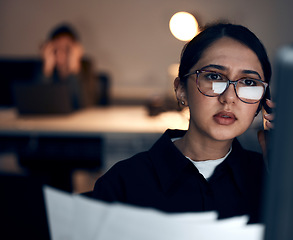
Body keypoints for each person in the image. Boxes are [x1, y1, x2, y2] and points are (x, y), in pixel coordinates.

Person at [91, 23, 275, 223]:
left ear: (262, 101)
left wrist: (284, 173)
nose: (229, 97)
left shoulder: (271, 180)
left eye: (248, 82)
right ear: (181, 90)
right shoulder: (123, 183)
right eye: (214, 77)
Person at [38, 23, 98, 108]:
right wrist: (47, 69)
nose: (59, 54)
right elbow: (38, 102)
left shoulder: (86, 67)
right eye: (55, 49)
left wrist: (73, 67)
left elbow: (83, 104)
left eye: (66, 49)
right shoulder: (46, 68)